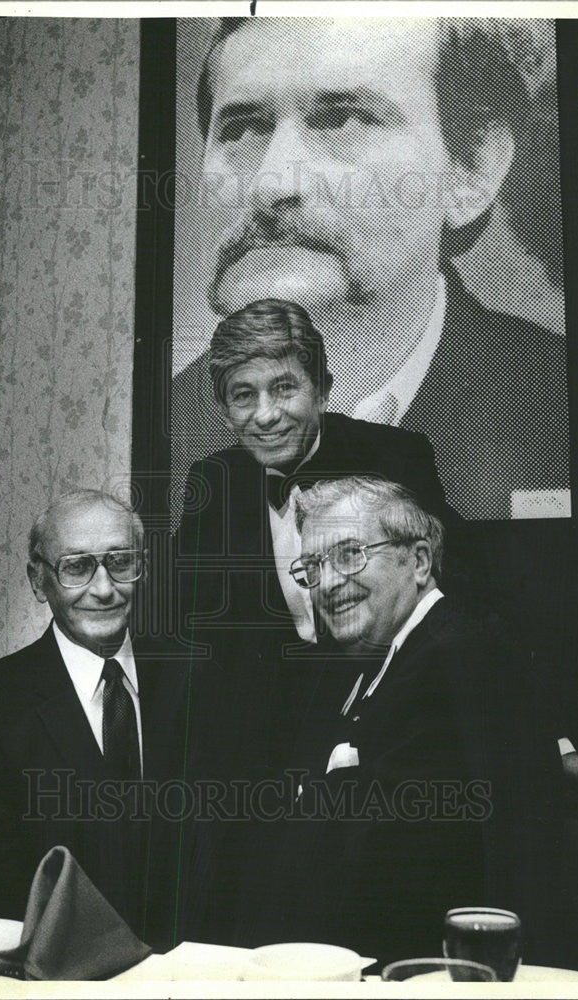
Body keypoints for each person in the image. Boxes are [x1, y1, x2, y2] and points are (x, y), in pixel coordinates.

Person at [173, 16, 569, 520]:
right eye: (243, 128)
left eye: (343, 120)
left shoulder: (564, 409)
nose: (271, 185)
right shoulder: (164, 428)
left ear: (473, 168)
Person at [231, 475, 560, 963]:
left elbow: (414, 859)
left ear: (420, 561)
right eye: (313, 567)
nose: (327, 583)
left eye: (349, 554)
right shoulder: (386, 657)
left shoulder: (456, 656)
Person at [175, 298, 467, 784]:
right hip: (263, 754)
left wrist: (551, 744)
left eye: (284, 388)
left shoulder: (393, 457)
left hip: (390, 730)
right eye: (243, 395)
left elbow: (466, 597)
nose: (265, 415)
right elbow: (184, 623)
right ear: (225, 411)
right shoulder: (213, 483)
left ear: (322, 391)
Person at [0, 489, 190, 945]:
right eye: (77, 566)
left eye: (121, 562)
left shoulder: (195, 682)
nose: (104, 589)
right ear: (37, 580)